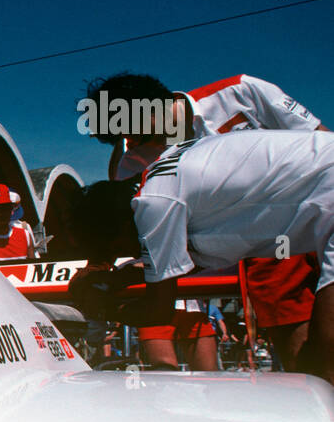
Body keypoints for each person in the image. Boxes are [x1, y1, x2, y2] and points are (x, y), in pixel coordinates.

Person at [84, 71, 327, 370]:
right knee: (310, 357)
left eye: (138, 132)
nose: (134, 143)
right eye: (126, 137)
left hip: (317, 196)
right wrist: (101, 272)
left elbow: (321, 140)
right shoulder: (131, 163)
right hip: (268, 244)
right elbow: (141, 236)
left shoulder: (242, 91)